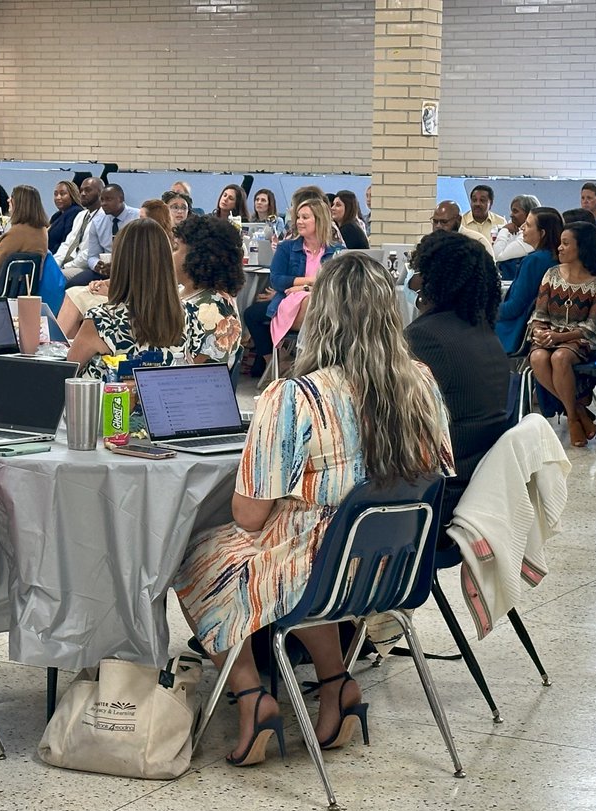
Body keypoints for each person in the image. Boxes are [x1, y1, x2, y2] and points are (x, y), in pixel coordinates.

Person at [173, 253, 454, 766]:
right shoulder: (423, 384)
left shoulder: (294, 395)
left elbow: (251, 516)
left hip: (318, 572)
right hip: (393, 568)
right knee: (300, 550)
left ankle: (252, 695)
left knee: (198, 556)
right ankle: (335, 685)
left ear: (319, 315)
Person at [406, 230, 509, 523]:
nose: (415, 283)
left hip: (436, 495)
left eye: (420, 273)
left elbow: (393, 418)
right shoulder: (484, 334)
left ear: (434, 279)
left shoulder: (426, 337)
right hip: (474, 486)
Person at [65, 218, 186, 377]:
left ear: (120, 262)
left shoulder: (102, 320)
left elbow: (66, 373)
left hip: (110, 401)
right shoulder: (188, 315)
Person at [528, 222, 596, 448]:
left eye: (566, 243)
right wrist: (539, 331)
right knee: (537, 357)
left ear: (582, 247)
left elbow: (593, 327)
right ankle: (577, 412)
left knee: (560, 357)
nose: (560, 248)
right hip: (550, 335)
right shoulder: (552, 274)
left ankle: (573, 418)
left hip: (581, 339)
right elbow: (539, 313)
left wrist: (558, 338)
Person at [243, 198, 341, 379]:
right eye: (298, 217)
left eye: (305, 217)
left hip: (323, 303)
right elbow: (277, 280)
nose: (299, 222)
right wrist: (311, 281)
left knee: (312, 301)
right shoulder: (287, 247)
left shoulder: (336, 250)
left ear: (319, 220)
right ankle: (275, 359)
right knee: (252, 313)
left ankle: (304, 363)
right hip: (292, 302)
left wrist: (304, 288)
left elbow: (337, 283)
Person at [173, 216, 244, 368]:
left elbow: (186, 372)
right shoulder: (184, 292)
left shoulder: (212, 310)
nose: (170, 255)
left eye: (176, 248)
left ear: (196, 257)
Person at [495, 208, 562, 354]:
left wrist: (485, 311)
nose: (522, 228)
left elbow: (514, 307)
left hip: (514, 331)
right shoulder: (556, 258)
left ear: (542, 233)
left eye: (528, 225)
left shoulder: (534, 261)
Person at [66, 183, 140, 287]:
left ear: (121, 199)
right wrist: (97, 265)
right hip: (105, 270)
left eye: (108, 199)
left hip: (131, 268)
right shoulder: (97, 222)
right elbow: (92, 256)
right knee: (73, 284)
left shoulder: (138, 217)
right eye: (102, 200)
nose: (104, 204)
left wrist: (119, 266)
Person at [55, 177, 105, 279]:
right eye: (81, 190)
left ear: (101, 193)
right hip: (69, 264)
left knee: (56, 277)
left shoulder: (104, 217)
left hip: (86, 267)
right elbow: (67, 244)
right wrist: (55, 264)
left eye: (88, 190)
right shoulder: (81, 215)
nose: (82, 193)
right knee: (46, 273)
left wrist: (66, 266)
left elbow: (89, 253)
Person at [492, 194, 540, 268]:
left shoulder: (529, 237)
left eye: (515, 211)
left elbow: (497, 256)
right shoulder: (515, 230)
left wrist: (504, 230)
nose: (511, 215)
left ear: (529, 214)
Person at [47, 181, 83, 254]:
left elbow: (67, 241)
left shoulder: (75, 212)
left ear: (72, 195)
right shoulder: (56, 215)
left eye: (62, 194)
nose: (58, 197)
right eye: (55, 194)